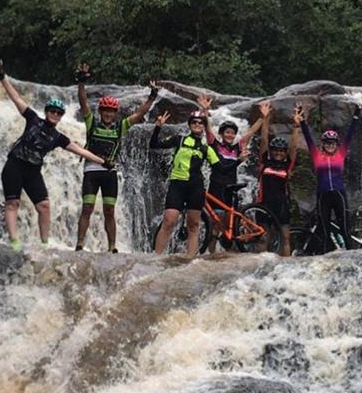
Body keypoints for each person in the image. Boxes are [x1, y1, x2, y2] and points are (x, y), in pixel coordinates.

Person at [0, 62, 106, 251]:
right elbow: (16, 98)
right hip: (14, 165)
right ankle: (14, 241)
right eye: (52, 111)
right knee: (12, 203)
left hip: (32, 171)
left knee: (44, 206)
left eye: (58, 113)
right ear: (46, 112)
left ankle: (44, 244)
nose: (55, 114)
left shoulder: (58, 137)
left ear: (61, 116)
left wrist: (103, 162)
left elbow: (80, 150)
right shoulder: (32, 119)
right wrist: (2, 77)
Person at [74, 63, 158, 253]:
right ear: (101, 112)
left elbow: (139, 114)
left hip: (110, 173)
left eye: (111, 112)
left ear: (115, 113)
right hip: (91, 172)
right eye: (105, 111)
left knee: (109, 211)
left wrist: (152, 97)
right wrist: (81, 83)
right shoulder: (92, 124)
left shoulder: (120, 127)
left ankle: (112, 246)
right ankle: (80, 244)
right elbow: (83, 103)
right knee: (87, 207)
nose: (108, 114)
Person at [197, 95, 268, 252]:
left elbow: (250, 133)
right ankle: (212, 254)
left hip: (231, 188)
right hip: (216, 187)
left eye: (232, 133)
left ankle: (230, 251)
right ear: (222, 134)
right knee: (215, 225)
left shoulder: (237, 148)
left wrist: (262, 118)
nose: (230, 135)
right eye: (227, 132)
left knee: (230, 226)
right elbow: (207, 128)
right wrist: (204, 110)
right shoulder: (214, 145)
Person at [150, 109, 220, 256]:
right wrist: (158, 127)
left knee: (193, 225)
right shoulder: (179, 140)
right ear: (189, 125)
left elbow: (222, 168)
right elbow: (154, 144)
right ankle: (156, 258)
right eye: (194, 122)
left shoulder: (206, 149)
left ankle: (190, 259)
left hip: (196, 188)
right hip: (177, 185)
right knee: (169, 221)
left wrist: (239, 160)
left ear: (203, 126)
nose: (197, 124)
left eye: (200, 123)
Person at [300, 102, 361, 253]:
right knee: (325, 231)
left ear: (337, 144)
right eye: (327, 143)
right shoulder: (316, 156)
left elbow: (350, 134)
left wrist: (356, 114)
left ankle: (351, 256)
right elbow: (307, 137)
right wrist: (301, 120)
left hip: (339, 194)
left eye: (333, 143)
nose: (330, 145)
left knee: (345, 228)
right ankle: (327, 259)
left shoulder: (341, 154)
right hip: (323, 196)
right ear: (323, 144)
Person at [258, 104, 303, 256]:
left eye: (281, 151)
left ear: (284, 153)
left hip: (281, 205)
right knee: (264, 237)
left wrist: (296, 125)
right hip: (264, 204)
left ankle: (285, 266)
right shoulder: (265, 162)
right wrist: (265, 119)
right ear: (271, 152)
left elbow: (294, 147)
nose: (278, 153)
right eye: (275, 150)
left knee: (285, 237)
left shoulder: (287, 166)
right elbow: (264, 141)